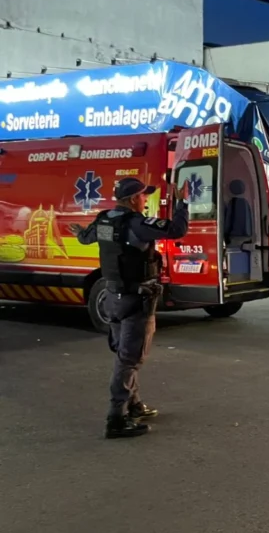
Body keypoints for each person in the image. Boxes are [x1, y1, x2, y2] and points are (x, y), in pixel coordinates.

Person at [68, 178, 189, 439]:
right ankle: (116, 418)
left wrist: (78, 231)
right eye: (144, 196)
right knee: (129, 359)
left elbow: (85, 238)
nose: (145, 200)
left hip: (112, 297)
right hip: (136, 299)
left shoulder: (104, 220)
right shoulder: (137, 224)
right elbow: (177, 230)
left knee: (125, 355)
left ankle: (134, 406)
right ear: (134, 199)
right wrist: (183, 201)